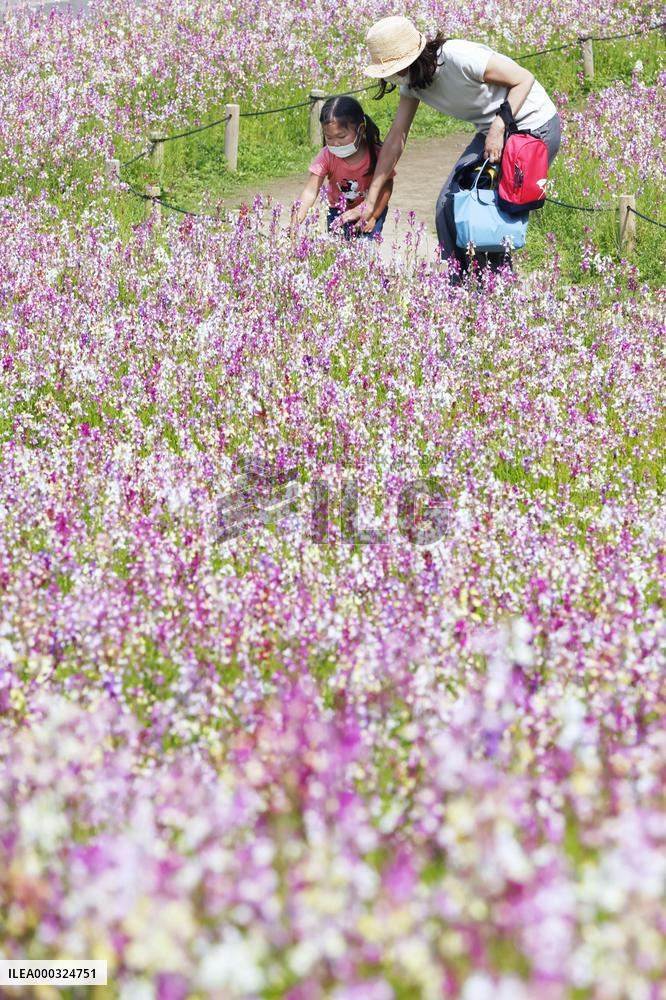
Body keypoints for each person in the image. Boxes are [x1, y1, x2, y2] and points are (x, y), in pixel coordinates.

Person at [341, 16, 561, 276]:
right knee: (450, 203)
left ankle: (494, 284)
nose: (392, 76)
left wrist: (500, 125)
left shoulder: (458, 56)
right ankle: (465, 280)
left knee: (482, 209)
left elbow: (524, 79)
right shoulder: (411, 84)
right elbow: (395, 139)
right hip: (492, 130)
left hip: (534, 126)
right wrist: (370, 200)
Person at [293, 95, 395, 241]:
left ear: (361, 130)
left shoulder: (377, 155)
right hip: (337, 211)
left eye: (341, 137)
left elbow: (386, 188)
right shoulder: (327, 156)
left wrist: (374, 217)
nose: (336, 143)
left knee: (365, 252)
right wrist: (296, 221)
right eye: (329, 138)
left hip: (372, 209)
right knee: (339, 252)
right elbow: (310, 191)